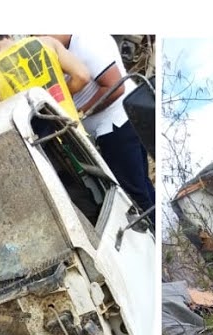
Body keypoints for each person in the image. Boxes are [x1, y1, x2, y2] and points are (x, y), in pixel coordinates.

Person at [47, 35, 155, 214]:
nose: (40, 39)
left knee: (134, 195)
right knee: (142, 186)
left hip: (116, 127)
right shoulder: (76, 44)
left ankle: (150, 228)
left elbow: (114, 87)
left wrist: (81, 112)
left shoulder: (85, 42)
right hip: (123, 122)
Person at [0, 36, 92, 122]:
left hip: (41, 146)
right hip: (74, 132)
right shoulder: (48, 42)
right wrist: (58, 95)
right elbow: (82, 76)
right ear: (8, 35)